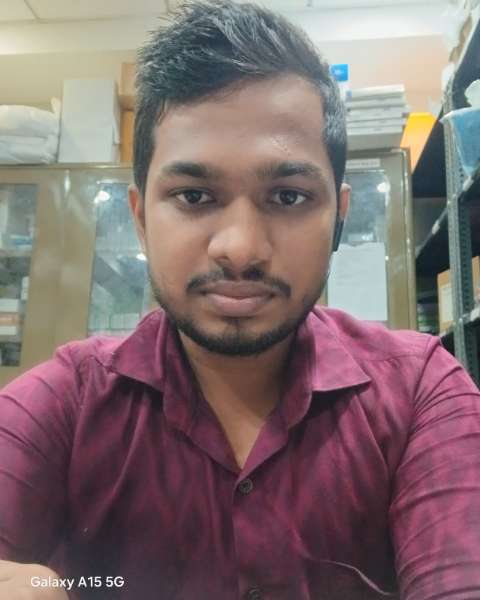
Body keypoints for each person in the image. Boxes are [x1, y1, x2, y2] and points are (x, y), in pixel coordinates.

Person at [1, 1, 480, 599]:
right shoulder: (67, 404)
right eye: (194, 195)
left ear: (339, 218)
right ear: (140, 218)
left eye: (288, 196)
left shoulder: (420, 394)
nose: (240, 249)